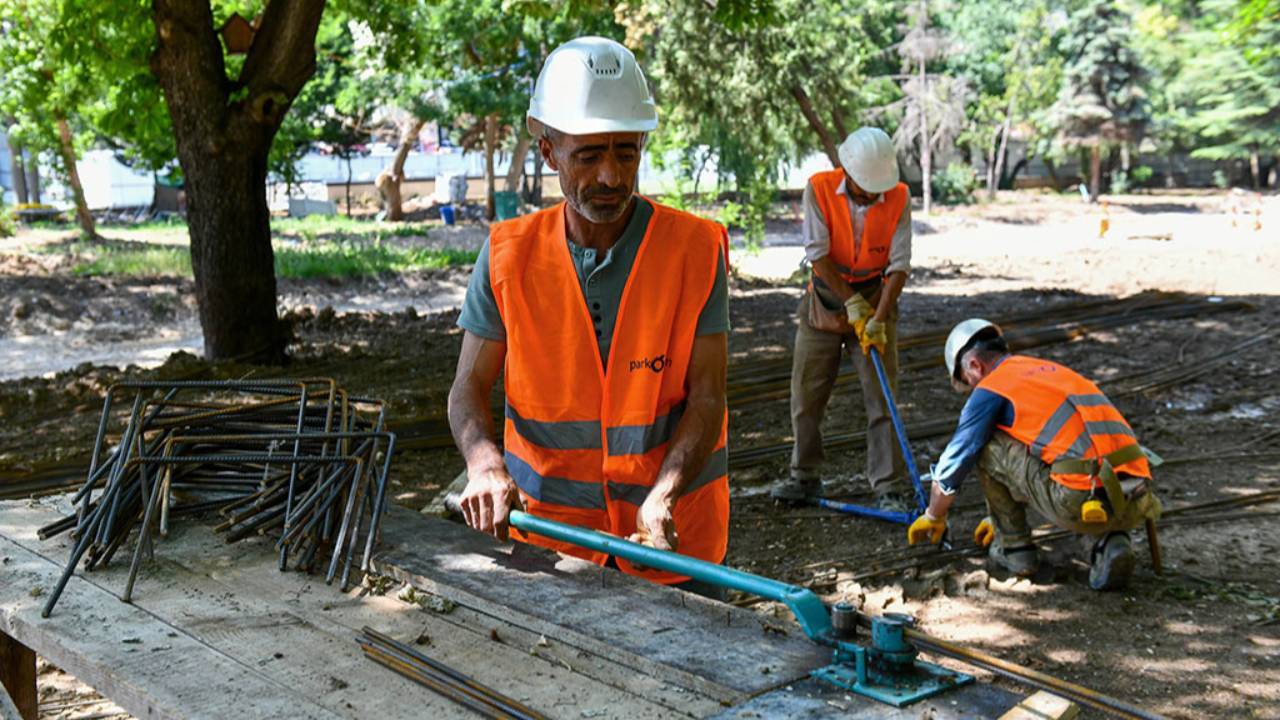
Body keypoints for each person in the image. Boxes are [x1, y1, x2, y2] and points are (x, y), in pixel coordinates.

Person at [446, 36, 731, 599]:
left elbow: (707, 396)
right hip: (551, 548)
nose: (610, 176)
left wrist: (664, 495)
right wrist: (483, 465)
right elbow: (467, 388)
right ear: (548, 151)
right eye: (589, 155)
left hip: (672, 548)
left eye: (626, 152)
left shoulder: (696, 250)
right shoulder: (508, 255)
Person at [907, 319, 1162, 591]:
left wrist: (934, 514)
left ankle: (1014, 549)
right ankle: (1112, 541)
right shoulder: (1047, 372)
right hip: (1137, 497)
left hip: (1080, 502)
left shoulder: (992, 387)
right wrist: (997, 514)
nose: (972, 389)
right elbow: (1051, 447)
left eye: (968, 383)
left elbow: (957, 458)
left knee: (984, 444)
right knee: (1074, 461)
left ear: (974, 366)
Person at [771, 127, 914, 512]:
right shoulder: (818, 188)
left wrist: (878, 318)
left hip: (876, 297)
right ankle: (804, 475)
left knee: (883, 400)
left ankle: (887, 486)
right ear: (848, 171)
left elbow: (899, 265)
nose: (872, 195)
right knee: (806, 396)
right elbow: (817, 254)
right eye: (865, 186)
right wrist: (851, 304)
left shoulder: (899, 197)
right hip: (825, 302)